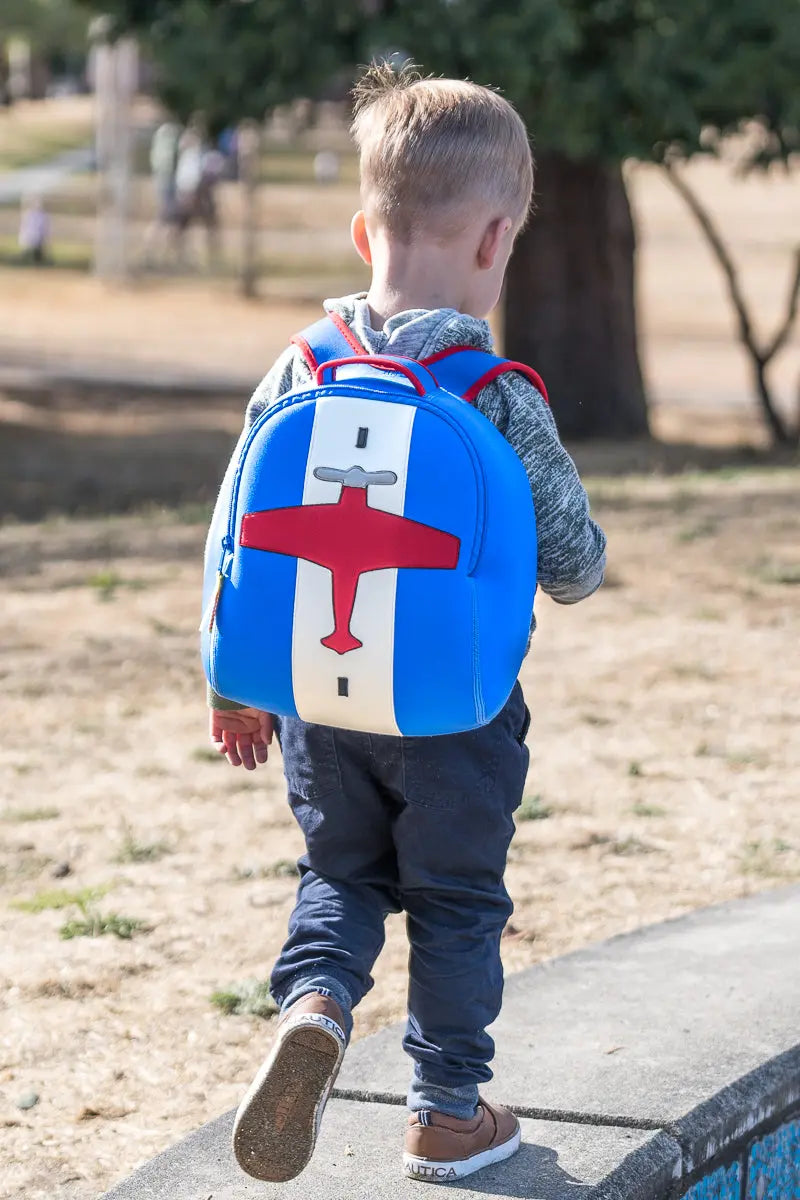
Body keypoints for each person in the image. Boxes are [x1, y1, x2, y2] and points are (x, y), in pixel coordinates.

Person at [206, 64, 607, 1185]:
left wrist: (231, 686)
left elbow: (236, 538)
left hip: (317, 703)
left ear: (358, 229)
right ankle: (444, 1110)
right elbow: (571, 567)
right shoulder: (495, 393)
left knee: (339, 871)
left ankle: (318, 1003)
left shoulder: (298, 370)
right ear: (495, 243)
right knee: (455, 900)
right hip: (455, 711)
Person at [18, 194, 49, 265]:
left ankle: (36, 264)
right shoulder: (29, 214)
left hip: (38, 237)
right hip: (31, 237)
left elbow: (44, 227)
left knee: (37, 254)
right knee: (29, 253)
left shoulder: (43, 215)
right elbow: (25, 226)